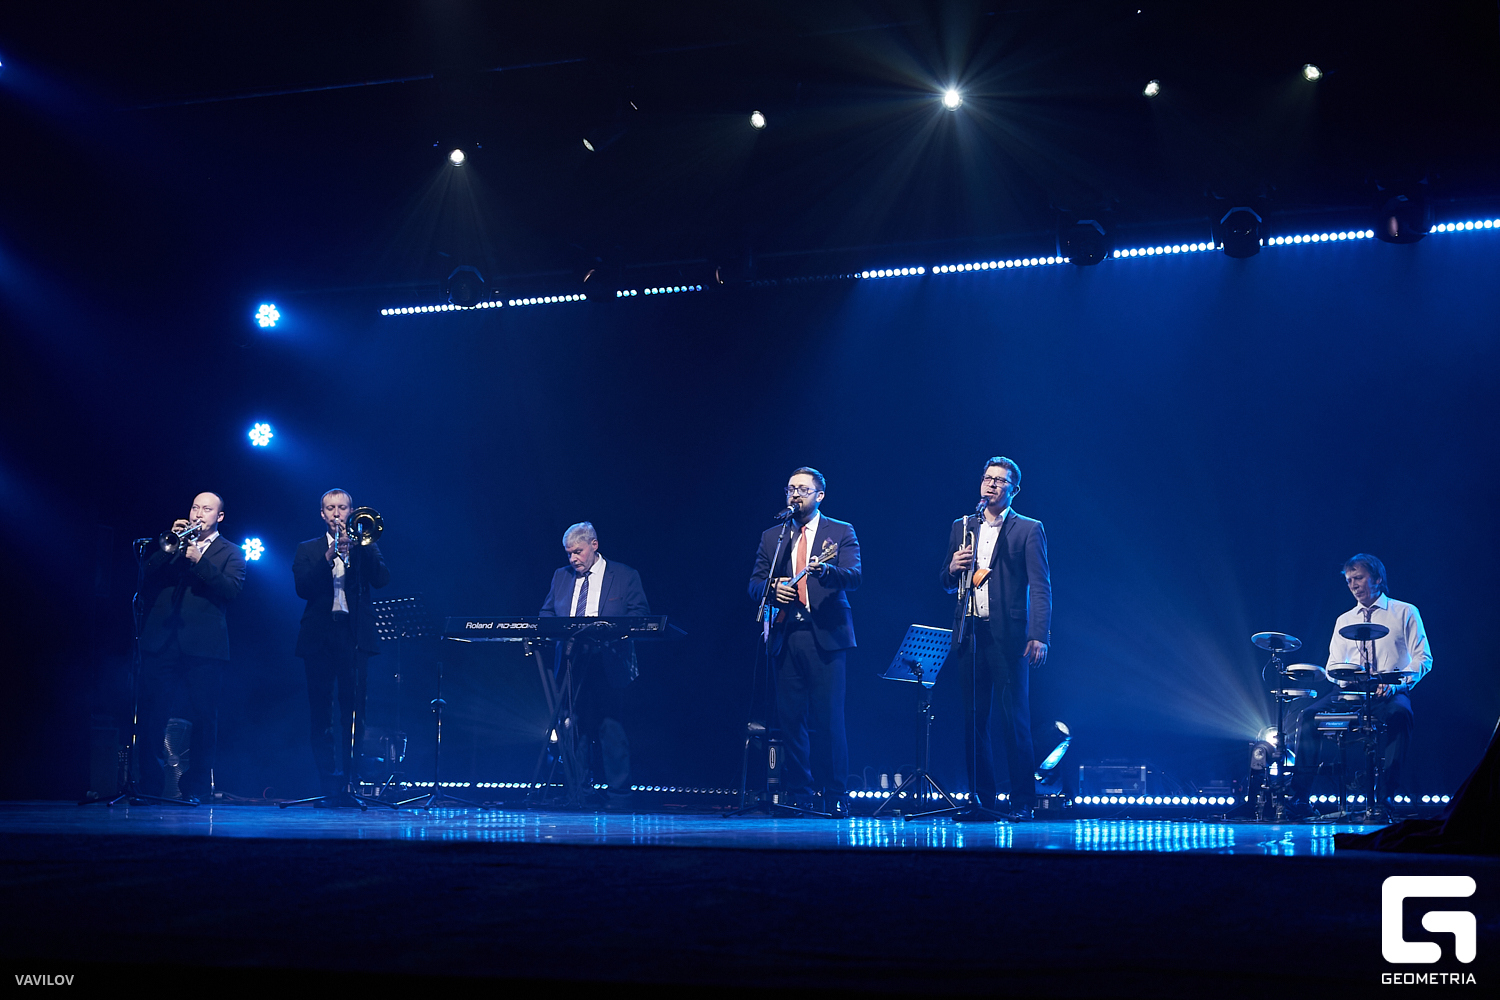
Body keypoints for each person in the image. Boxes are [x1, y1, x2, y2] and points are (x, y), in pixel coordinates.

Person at [939, 457, 1051, 819]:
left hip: (1010, 634)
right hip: (970, 632)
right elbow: (946, 580)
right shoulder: (962, 526)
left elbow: (1041, 585)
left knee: (1013, 719)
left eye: (1000, 481)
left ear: (1014, 490)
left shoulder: (1028, 529)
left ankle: (1023, 801)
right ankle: (981, 800)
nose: (991, 484)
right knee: (974, 719)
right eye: (987, 478)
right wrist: (952, 567)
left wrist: (1039, 634)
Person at [748, 467, 861, 815]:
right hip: (785, 635)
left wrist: (826, 571)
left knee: (829, 719)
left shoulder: (839, 531)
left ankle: (835, 793)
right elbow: (754, 584)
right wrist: (773, 588)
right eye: (790, 489)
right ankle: (801, 792)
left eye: (803, 489)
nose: (795, 495)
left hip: (825, 636)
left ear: (819, 496)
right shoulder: (774, 536)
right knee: (791, 719)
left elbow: (854, 576)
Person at [1289, 553, 1431, 813]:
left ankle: (1385, 796)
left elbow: (1423, 658)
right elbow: (1333, 666)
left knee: (1401, 714)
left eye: (1358, 578)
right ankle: (1299, 797)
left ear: (1377, 579)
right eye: (1349, 581)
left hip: (1388, 687)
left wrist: (1397, 684)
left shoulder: (1405, 611)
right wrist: (1345, 677)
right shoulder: (1344, 620)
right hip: (1350, 689)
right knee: (1308, 716)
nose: (1353, 585)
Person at [138, 491, 246, 802]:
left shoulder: (232, 552)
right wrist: (168, 547)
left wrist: (200, 562)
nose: (199, 514)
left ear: (219, 516)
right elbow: (145, 575)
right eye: (195, 507)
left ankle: (195, 789)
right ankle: (148, 785)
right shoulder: (174, 545)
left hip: (205, 646)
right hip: (163, 640)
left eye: (207, 509)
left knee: (203, 717)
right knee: (153, 712)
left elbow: (231, 590)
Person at [539, 521, 650, 807]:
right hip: (572, 662)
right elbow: (546, 614)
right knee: (573, 728)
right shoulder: (560, 576)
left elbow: (639, 614)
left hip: (608, 662)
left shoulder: (624, 575)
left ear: (594, 545)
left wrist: (610, 630)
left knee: (611, 730)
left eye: (578, 551)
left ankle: (619, 796)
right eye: (569, 553)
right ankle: (577, 793)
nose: (573, 558)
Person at [292, 489, 390, 804]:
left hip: (354, 636)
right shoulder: (307, 549)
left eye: (343, 507)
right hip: (319, 637)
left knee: (355, 712)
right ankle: (328, 785)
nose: (337, 513)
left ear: (351, 511)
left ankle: (350, 782)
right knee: (321, 714)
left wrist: (365, 546)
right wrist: (328, 557)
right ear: (322, 514)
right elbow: (302, 588)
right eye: (331, 508)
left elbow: (382, 579)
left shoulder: (366, 546)